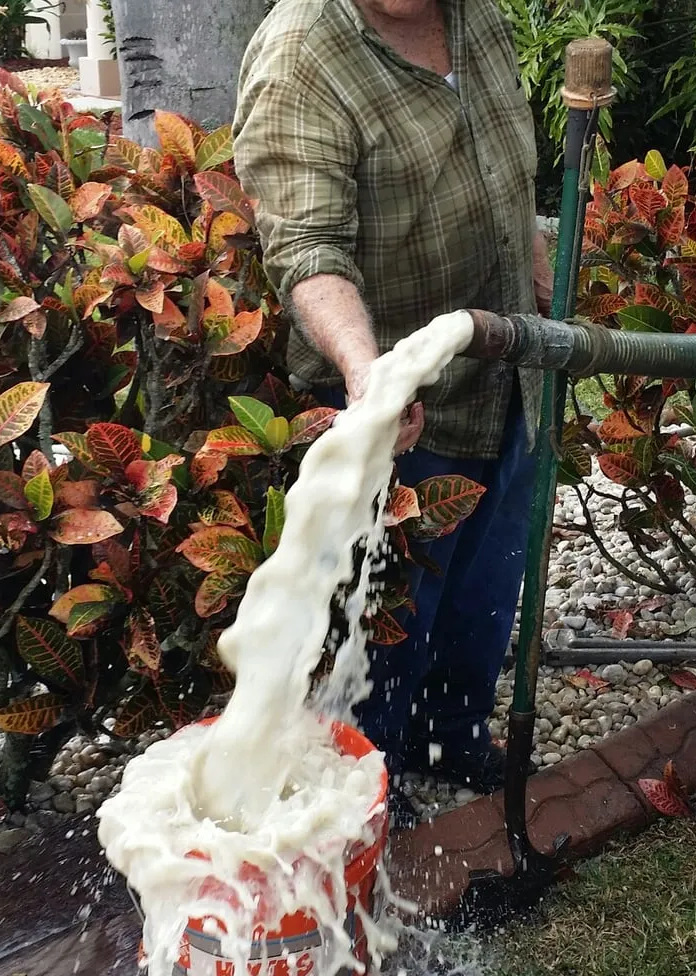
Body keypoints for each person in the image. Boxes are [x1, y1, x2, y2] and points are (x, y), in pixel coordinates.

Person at [233, 0, 553, 827]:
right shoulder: (303, 54)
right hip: (402, 406)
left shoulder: (479, 15)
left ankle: (450, 735)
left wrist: (540, 263)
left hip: (505, 370)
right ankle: (366, 780)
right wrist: (365, 370)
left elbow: (503, 172)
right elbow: (307, 248)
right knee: (389, 614)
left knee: (485, 583)